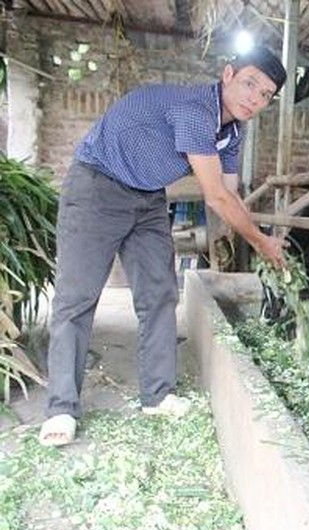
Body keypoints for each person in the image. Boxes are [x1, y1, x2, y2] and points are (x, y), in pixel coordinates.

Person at [39, 45, 288, 446]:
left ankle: (157, 395)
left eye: (265, 96)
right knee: (77, 298)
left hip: (149, 196)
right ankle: (62, 407)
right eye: (249, 84)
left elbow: (231, 192)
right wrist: (261, 243)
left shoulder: (232, 132)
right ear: (227, 74)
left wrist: (249, 233)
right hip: (97, 186)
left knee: (159, 294)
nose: (255, 99)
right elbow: (216, 199)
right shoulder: (196, 111)